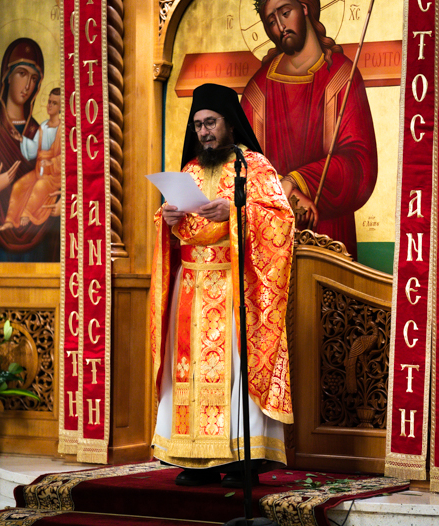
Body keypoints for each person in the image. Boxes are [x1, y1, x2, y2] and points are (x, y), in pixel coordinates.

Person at [149, 83, 294, 487]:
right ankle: (195, 458)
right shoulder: (191, 170)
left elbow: (281, 222)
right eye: (197, 125)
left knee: (234, 374)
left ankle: (242, 461)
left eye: (210, 123)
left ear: (229, 123)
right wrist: (169, 221)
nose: (204, 132)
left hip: (235, 288)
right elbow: (173, 225)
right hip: (191, 286)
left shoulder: (255, 167)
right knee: (189, 375)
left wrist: (234, 212)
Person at [241, 0, 378, 260]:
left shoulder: (341, 76)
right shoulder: (257, 89)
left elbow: (361, 164)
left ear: (304, 7)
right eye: (271, 21)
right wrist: (284, 192)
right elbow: (244, 166)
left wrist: (296, 180)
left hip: (329, 237)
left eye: (285, 13)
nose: (280, 26)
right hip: (273, 237)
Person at [0, 38, 59, 262]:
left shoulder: (44, 133)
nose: (28, 85)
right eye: (22, 74)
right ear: (6, 76)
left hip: (41, 241)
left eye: (34, 78)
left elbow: (60, 179)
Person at [0, 88, 62, 231]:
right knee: (18, 186)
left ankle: (26, 213)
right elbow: (34, 149)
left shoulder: (63, 130)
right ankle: (9, 220)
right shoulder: (43, 127)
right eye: (49, 102)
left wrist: (52, 162)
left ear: (61, 107)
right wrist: (22, 139)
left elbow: (67, 156)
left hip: (53, 176)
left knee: (40, 187)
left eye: (54, 103)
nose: (50, 105)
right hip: (38, 170)